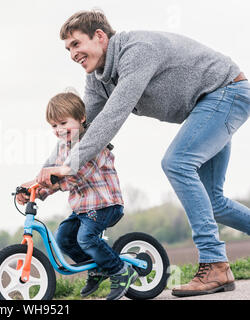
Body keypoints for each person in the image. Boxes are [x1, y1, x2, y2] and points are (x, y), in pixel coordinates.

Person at [19, 9, 250, 297]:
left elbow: (114, 115)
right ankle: (217, 265)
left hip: (226, 92)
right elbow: (81, 132)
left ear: (100, 36)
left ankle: (215, 264)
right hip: (208, 106)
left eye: (76, 44)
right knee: (211, 201)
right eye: (68, 49)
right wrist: (44, 178)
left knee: (177, 163)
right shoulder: (97, 79)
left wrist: (68, 168)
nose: (72, 54)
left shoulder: (136, 52)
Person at [18, 91, 138, 300]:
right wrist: (33, 190)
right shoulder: (63, 148)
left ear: (81, 118)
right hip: (83, 208)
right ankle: (99, 268)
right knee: (63, 238)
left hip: (105, 205)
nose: (59, 130)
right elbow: (51, 173)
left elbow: (77, 176)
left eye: (64, 123)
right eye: (54, 126)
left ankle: (120, 271)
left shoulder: (93, 144)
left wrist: (49, 183)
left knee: (86, 238)